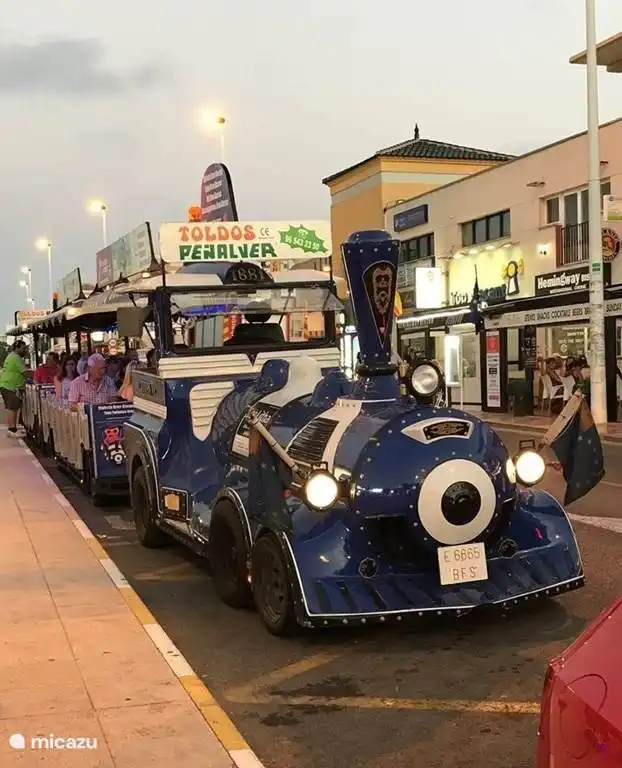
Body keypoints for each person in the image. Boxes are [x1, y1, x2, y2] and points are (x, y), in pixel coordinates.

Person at [0, 340, 29, 437]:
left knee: (13, 407)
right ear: (17, 348)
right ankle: (12, 429)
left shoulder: (12, 356)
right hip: (10, 386)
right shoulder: (16, 358)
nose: (25, 350)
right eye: (23, 348)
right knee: (12, 408)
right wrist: (35, 374)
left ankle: (13, 428)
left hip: (8, 385)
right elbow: (25, 372)